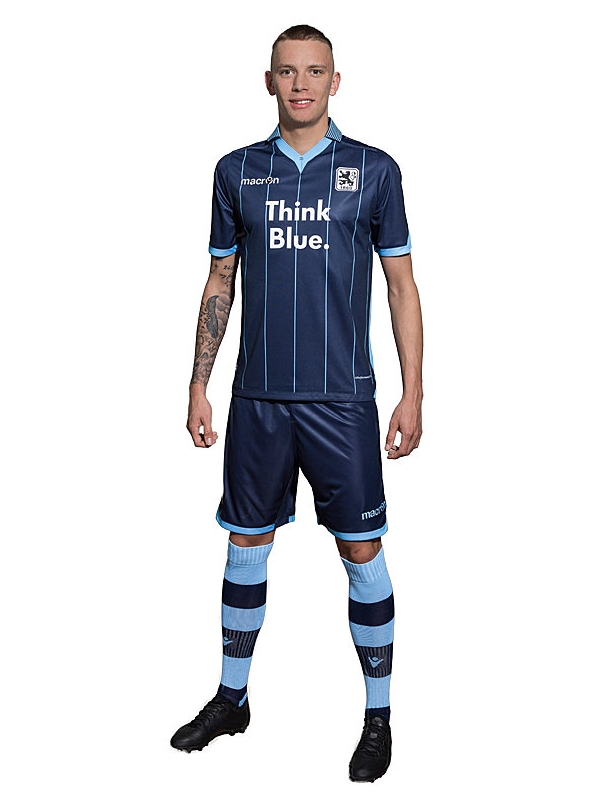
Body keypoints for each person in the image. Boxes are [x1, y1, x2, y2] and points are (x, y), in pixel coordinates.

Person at [170, 24, 423, 783]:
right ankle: (232, 698)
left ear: (335, 82)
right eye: (288, 72)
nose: (301, 84)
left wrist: (413, 391)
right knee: (244, 546)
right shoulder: (236, 171)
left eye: (315, 72)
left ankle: (378, 717)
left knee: (362, 553)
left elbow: (401, 286)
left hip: (342, 401)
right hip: (258, 399)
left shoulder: (374, 171)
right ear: (270, 81)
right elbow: (220, 281)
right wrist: (197, 382)